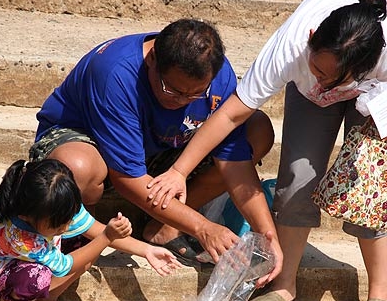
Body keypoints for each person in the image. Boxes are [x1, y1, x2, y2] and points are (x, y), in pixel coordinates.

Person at [146, 0, 387, 301]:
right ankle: (284, 283)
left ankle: (379, 292)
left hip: (376, 97)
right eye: (316, 69)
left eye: (331, 78)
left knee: (370, 189)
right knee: (295, 181)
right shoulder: (292, 46)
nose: (322, 83)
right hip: (311, 99)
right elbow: (231, 115)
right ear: (310, 37)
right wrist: (179, 170)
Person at [28, 18, 282, 282]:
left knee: (257, 130)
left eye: (195, 94)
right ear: (152, 59)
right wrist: (202, 227)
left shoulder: (215, 74)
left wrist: (268, 235)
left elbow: (234, 162)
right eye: (171, 90)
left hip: (161, 150)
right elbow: (128, 180)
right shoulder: (115, 73)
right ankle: (78, 236)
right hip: (95, 148)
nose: (182, 101)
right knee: (77, 168)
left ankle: (166, 225)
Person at [0, 159, 181, 301]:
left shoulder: (54, 205)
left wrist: (146, 250)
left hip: (22, 262)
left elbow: (93, 229)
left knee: (87, 241)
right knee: (36, 277)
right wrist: (107, 237)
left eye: (68, 219)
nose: (64, 227)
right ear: (27, 216)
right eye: (57, 225)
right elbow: (66, 265)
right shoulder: (19, 238)